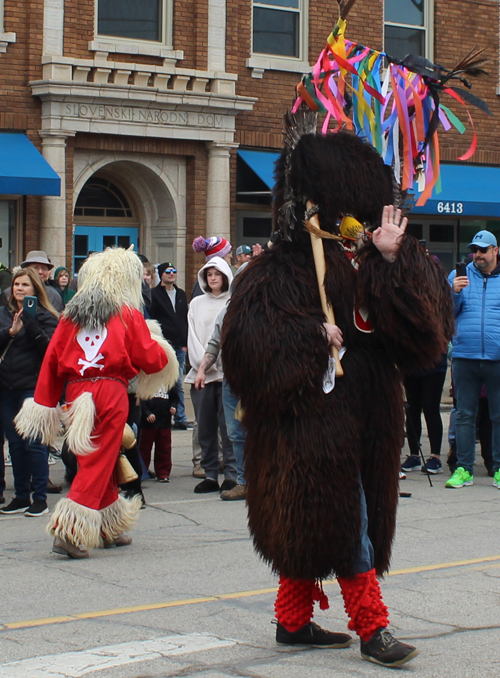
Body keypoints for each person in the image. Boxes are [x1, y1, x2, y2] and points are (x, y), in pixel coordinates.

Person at [221, 117, 453, 667]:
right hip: (310, 419)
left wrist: (391, 262)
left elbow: (428, 336)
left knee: (340, 514)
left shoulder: (385, 251)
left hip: (370, 415)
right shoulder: (281, 265)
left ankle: (293, 621)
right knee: (341, 515)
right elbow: (244, 347)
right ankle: (373, 628)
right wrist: (308, 334)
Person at [15, 247, 179, 558]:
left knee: (99, 455)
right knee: (98, 459)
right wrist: (162, 350)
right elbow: (149, 357)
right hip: (110, 391)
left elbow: (52, 359)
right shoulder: (127, 313)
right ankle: (70, 531)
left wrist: (44, 402)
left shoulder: (71, 315)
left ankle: (107, 523)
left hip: (77, 394)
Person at [0, 267, 59, 516]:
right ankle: (21, 496)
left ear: (35, 288)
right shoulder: (3, 314)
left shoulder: (47, 316)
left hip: (33, 389)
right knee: (15, 444)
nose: (19, 289)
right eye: (16, 285)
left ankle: (40, 499)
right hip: (6, 388)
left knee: (34, 443)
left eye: (25, 285)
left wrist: (31, 324)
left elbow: (51, 352)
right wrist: (9, 332)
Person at [446, 230, 500, 489]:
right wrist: (453, 293)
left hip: (497, 357)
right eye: (474, 250)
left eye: (483, 250)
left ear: (495, 251)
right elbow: (443, 313)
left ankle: (499, 469)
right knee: (464, 415)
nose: (477, 255)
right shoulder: (458, 276)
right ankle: (464, 469)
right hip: (465, 356)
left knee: (498, 416)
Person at [194, 263, 250, 501]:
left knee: (260, 431)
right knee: (234, 433)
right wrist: (202, 370)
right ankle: (243, 481)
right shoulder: (227, 313)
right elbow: (214, 344)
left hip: (257, 382)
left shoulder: (265, 311)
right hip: (231, 381)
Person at [185, 257, 237, 494]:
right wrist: (202, 367)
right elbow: (194, 338)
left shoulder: (233, 302)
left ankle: (232, 474)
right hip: (202, 374)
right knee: (205, 426)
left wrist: (221, 365)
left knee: (229, 428)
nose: (213, 278)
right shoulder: (196, 303)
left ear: (226, 276)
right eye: (209, 274)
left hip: (228, 374)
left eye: (217, 274)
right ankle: (209, 473)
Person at [150, 262, 189, 430]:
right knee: (162, 381)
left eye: (174, 271)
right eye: (168, 271)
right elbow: (152, 320)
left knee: (177, 381)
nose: (171, 274)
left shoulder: (181, 294)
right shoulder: (154, 295)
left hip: (179, 346)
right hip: (164, 346)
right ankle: (160, 413)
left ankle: (180, 417)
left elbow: (185, 319)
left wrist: (185, 343)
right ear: (161, 274)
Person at [400, 352, 448, 474]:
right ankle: (414, 455)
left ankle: (435, 457)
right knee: (412, 409)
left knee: (431, 408)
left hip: (434, 364)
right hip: (410, 364)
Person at [139, 386, 178, 482]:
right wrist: (147, 413)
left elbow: (174, 398)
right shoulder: (147, 382)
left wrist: (173, 407)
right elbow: (141, 400)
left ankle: (163, 472)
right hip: (148, 423)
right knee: (144, 448)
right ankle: (142, 471)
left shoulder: (169, 382)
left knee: (164, 448)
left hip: (164, 421)